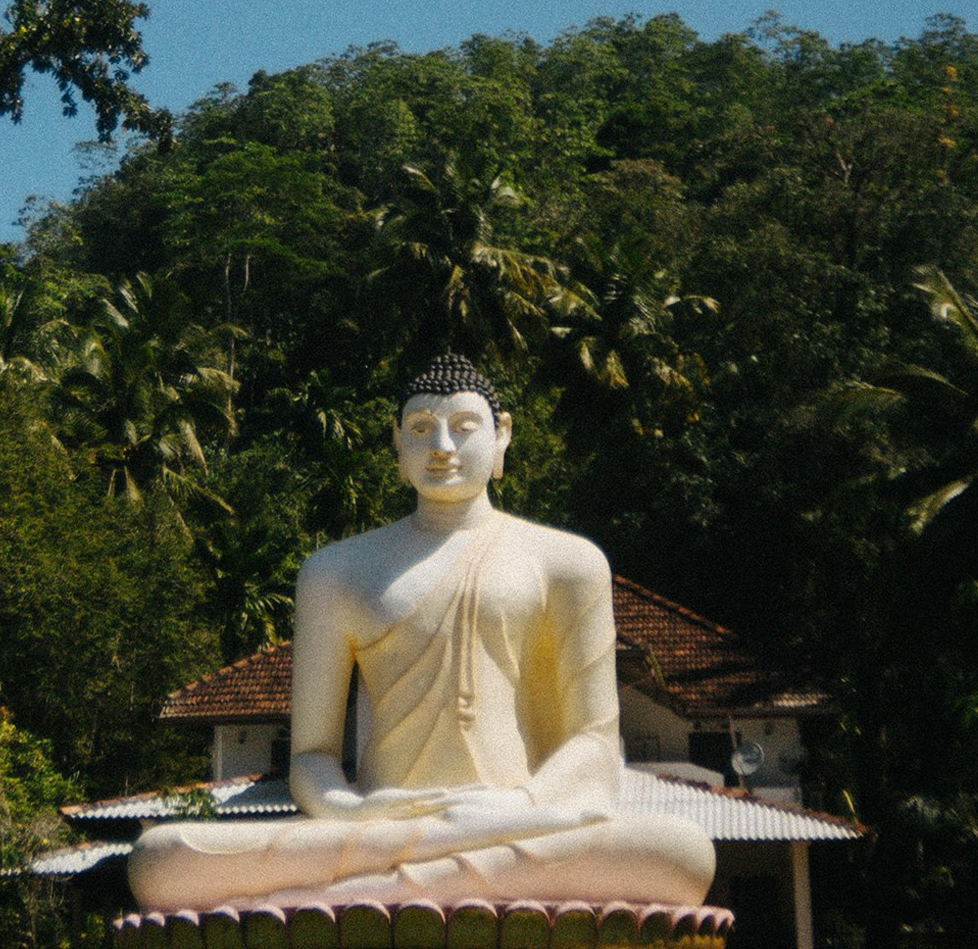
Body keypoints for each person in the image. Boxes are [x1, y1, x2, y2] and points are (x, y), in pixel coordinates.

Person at [127, 357, 714, 914]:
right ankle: (416, 884)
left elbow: (592, 746)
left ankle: (350, 901)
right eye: (421, 428)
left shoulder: (567, 562)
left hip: (514, 816)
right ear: (397, 442)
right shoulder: (335, 571)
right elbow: (311, 757)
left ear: (502, 434)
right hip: (382, 824)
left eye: (464, 427)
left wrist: (514, 809)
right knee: (161, 858)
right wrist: (348, 809)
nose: (442, 448)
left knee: (680, 853)